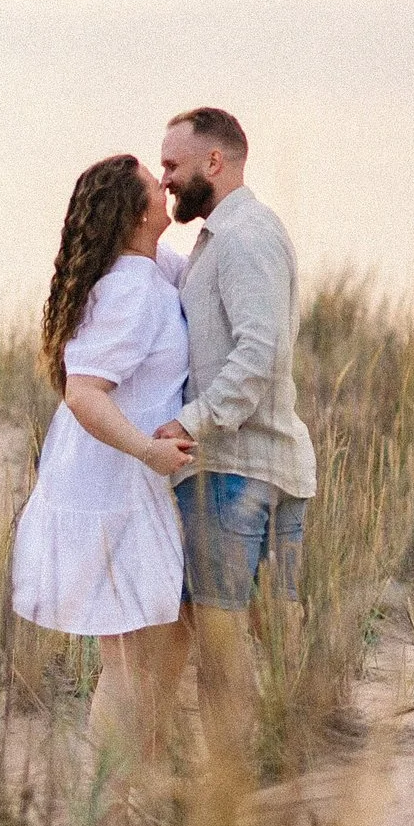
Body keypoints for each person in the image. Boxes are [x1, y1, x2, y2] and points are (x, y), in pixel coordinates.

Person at [10, 150, 193, 776]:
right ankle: (108, 801)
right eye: (154, 181)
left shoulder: (146, 271)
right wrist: (148, 450)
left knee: (144, 650)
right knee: (132, 657)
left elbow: (201, 268)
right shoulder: (129, 291)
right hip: (112, 484)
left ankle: (123, 788)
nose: (164, 183)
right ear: (136, 211)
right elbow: (84, 392)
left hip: (113, 482)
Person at [149, 105, 316, 741]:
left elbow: (261, 354)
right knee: (275, 639)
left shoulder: (244, 237)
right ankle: (285, 766)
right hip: (263, 466)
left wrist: (193, 422)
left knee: (226, 650)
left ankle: (237, 790)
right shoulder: (223, 239)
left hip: (233, 471)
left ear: (213, 163)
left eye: (173, 164)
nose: (165, 179)